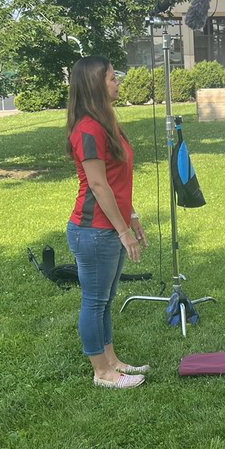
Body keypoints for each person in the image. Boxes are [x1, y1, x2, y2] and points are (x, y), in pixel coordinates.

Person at [66, 56, 150, 389]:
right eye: (113, 78)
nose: (118, 83)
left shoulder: (106, 122)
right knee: (94, 301)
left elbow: (117, 179)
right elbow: (99, 186)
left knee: (105, 299)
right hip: (93, 230)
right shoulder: (87, 128)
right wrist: (123, 231)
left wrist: (131, 215)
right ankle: (101, 372)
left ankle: (112, 361)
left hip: (109, 226)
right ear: (95, 85)